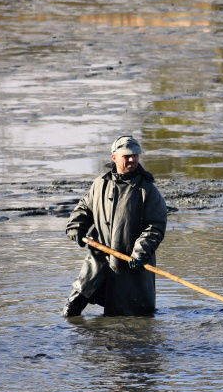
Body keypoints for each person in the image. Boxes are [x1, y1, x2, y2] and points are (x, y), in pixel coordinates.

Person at [62, 135, 168, 317]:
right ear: (114, 158)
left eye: (135, 155)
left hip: (131, 264)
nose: (132, 159)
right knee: (71, 310)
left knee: (128, 316)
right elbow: (84, 208)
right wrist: (76, 226)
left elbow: (155, 226)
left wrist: (140, 252)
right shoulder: (100, 184)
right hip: (99, 259)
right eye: (127, 156)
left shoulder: (147, 189)